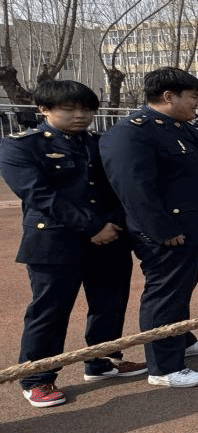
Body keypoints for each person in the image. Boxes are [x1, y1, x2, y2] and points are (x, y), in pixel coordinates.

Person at [0, 80, 146, 408]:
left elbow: (118, 187)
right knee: (49, 311)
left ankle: (102, 361)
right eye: (69, 109)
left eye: (87, 109)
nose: (80, 115)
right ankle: (37, 377)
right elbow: (38, 194)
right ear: (44, 110)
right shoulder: (21, 146)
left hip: (109, 239)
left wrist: (111, 225)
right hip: (55, 241)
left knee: (109, 304)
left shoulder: (99, 143)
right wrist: (93, 226)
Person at [100, 67, 198, 388]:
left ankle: (181, 339)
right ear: (169, 96)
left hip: (194, 229)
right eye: (193, 96)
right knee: (164, 296)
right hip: (168, 234)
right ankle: (164, 367)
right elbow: (134, 189)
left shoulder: (181, 129)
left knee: (180, 292)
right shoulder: (132, 133)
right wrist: (162, 230)